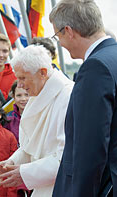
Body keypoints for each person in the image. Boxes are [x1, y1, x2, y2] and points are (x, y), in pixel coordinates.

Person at [49, 1, 117, 196]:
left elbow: (90, 148)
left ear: (68, 31)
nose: (60, 43)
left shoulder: (95, 68)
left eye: (57, 36)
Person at [0, 45, 74, 197]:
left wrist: (24, 172)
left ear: (42, 73)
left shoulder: (67, 96)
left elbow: (67, 158)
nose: (20, 85)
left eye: (23, 78)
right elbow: (32, 144)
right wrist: (12, 162)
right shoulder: (38, 93)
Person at [4, 80, 29, 144]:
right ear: (13, 97)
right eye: (19, 95)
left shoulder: (40, 116)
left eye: (27, 95)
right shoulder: (8, 119)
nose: (23, 99)